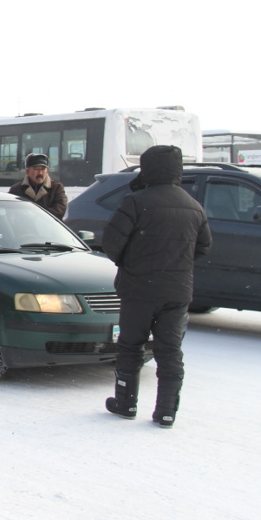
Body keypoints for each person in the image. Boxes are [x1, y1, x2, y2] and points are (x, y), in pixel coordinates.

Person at [101, 145, 212, 428]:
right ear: (177, 170)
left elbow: (112, 245)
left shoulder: (136, 202)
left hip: (138, 289)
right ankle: (166, 411)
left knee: (130, 346)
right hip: (176, 291)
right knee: (170, 351)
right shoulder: (193, 205)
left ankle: (125, 403)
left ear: (148, 169)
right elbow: (203, 248)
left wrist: (134, 263)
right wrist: (174, 265)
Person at [8, 153, 68, 218]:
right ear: (27, 171)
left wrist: (33, 214)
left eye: (43, 169)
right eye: (36, 169)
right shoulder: (16, 190)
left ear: (47, 171)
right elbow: (10, 212)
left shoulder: (57, 188)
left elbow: (58, 212)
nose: (40, 173)